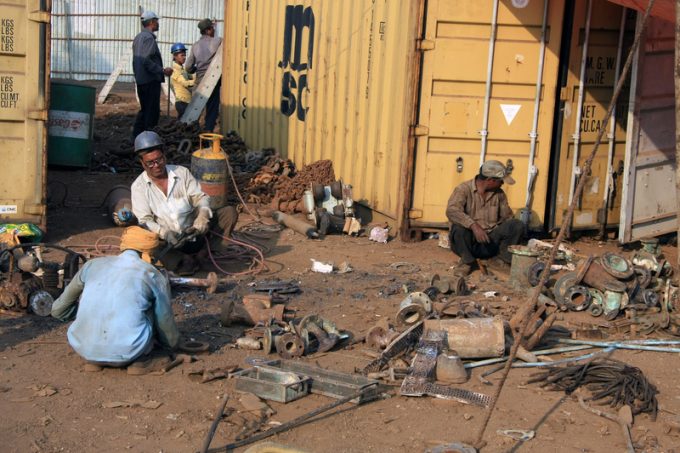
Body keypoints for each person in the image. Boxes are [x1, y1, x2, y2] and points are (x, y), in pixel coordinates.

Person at [51, 227, 179, 374]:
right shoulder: (152, 274)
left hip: (84, 348)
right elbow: (164, 320)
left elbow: (58, 310)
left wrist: (83, 316)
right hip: (130, 352)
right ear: (149, 252)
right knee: (151, 309)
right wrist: (173, 344)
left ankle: (96, 360)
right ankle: (141, 362)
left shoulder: (90, 266)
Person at [130, 131, 238, 275]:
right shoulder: (138, 187)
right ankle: (182, 260)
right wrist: (165, 233)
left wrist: (203, 214)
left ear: (164, 155)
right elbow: (144, 221)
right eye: (150, 163)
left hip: (193, 233)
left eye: (160, 160)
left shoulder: (182, 173)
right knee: (142, 237)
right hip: (168, 243)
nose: (156, 165)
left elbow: (200, 197)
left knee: (228, 213)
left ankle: (204, 254)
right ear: (142, 163)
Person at [446, 160, 526, 276]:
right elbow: (451, 211)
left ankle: (499, 260)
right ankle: (467, 261)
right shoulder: (463, 189)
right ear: (490, 180)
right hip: (469, 243)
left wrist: (516, 235)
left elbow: (507, 217)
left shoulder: (499, 194)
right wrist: (473, 226)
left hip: (490, 242)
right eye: (501, 181)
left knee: (516, 225)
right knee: (459, 228)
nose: (502, 183)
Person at [132, 10, 173, 139]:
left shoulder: (138, 38)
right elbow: (146, 60)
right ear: (151, 22)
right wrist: (162, 70)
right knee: (151, 113)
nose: (158, 23)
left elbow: (137, 61)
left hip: (141, 81)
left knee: (144, 111)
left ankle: (135, 138)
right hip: (150, 81)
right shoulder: (149, 38)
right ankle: (149, 142)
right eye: (156, 21)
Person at [185, 18, 222, 132]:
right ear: (208, 30)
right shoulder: (218, 42)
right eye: (212, 28)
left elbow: (188, 67)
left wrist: (195, 69)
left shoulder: (195, 46)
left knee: (195, 110)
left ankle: (190, 133)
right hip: (213, 80)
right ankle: (208, 132)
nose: (214, 30)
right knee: (211, 110)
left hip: (199, 80)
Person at [169, 43, 194, 118]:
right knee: (184, 124)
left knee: (184, 124)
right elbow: (185, 83)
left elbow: (191, 76)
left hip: (187, 101)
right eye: (182, 55)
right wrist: (197, 81)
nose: (184, 57)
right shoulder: (175, 70)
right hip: (182, 103)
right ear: (175, 56)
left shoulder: (182, 69)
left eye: (185, 55)